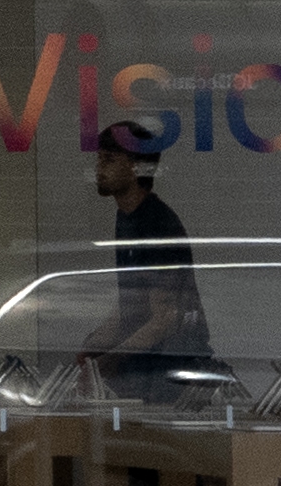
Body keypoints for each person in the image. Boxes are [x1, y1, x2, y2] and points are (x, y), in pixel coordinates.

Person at [85, 120, 208, 397]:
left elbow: (166, 317)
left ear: (137, 167)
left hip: (170, 370)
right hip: (145, 364)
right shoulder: (127, 218)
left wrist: (111, 358)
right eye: (99, 159)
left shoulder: (157, 224)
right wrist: (93, 347)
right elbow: (131, 304)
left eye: (110, 159)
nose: (99, 167)